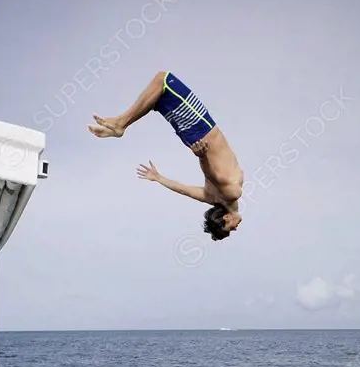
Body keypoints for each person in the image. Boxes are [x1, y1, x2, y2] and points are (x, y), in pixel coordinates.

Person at [88, 71, 244, 240]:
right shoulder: (211, 198)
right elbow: (183, 190)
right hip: (191, 137)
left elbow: (214, 176)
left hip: (200, 129)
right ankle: (121, 125)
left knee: (163, 79)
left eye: (229, 228)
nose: (235, 228)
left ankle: (120, 124)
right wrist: (158, 178)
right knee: (157, 98)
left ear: (225, 218)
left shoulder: (232, 194)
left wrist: (202, 156)